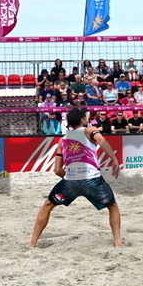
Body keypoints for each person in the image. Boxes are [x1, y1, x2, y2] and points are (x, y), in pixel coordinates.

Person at [28, 107, 122, 249]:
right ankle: (117, 242)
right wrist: (114, 159)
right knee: (112, 206)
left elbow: (57, 170)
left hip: (70, 182)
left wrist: (70, 177)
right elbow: (101, 140)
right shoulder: (89, 130)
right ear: (83, 120)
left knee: (47, 206)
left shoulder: (63, 140)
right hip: (92, 180)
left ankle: (32, 243)